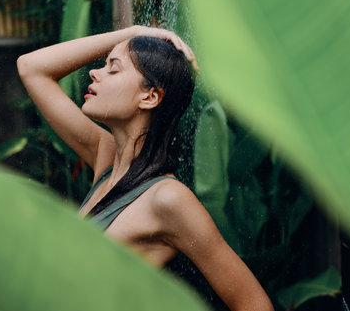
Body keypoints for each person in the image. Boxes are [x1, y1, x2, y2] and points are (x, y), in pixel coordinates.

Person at [17, 25, 274, 311]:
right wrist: (134, 31)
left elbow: (253, 302)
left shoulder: (167, 198)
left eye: (113, 70)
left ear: (150, 97)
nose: (95, 73)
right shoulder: (106, 158)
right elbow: (30, 68)